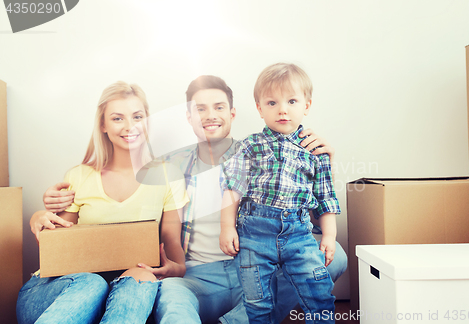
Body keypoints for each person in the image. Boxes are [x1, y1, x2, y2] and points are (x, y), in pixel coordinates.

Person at [43, 75, 347, 324]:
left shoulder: (266, 155)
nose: (210, 116)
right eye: (200, 109)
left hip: (255, 267)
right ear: (188, 117)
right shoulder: (169, 167)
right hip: (195, 274)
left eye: (218, 107)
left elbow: (309, 214)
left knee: (336, 258)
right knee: (174, 307)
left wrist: (322, 161)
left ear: (233, 113)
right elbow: (118, 203)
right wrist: (48, 207)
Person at [17, 81, 189, 324]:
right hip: (55, 296)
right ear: (103, 124)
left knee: (142, 278)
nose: (130, 126)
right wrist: (39, 219)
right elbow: (59, 250)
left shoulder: (167, 176)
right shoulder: (78, 176)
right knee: (92, 282)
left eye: (137, 116)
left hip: (119, 295)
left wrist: (176, 268)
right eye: (118, 118)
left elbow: (172, 244)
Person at [219, 63, 339, 323]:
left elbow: (325, 197)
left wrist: (329, 234)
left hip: (298, 233)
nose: (282, 109)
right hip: (254, 233)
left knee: (319, 295)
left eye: (292, 101)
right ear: (260, 109)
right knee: (257, 301)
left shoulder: (315, 149)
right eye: (272, 103)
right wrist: (227, 227)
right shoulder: (250, 146)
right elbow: (233, 190)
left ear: (306, 105)